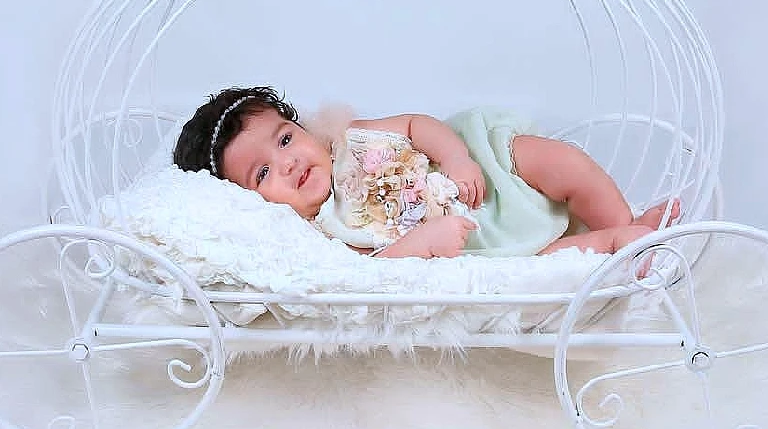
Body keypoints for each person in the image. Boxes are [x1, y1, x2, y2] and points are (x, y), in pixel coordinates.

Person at [174, 86, 680, 260]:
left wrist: (458, 158)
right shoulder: (323, 233)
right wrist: (425, 241)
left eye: (285, 138)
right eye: (263, 173)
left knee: (563, 162)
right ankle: (622, 248)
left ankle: (624, 220)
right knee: (543, 266)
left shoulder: (350, 138)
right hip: (478, 243)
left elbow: (417, 125)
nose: (287, 162)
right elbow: (375, 269)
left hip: (486, 176)